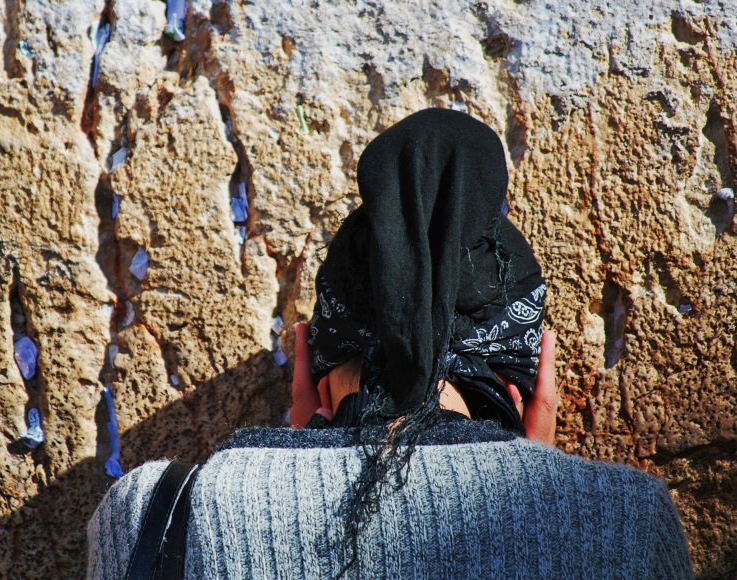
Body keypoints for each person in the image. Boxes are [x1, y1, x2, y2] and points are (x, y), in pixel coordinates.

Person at [87, 109, 692, 578]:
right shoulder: (626, 524)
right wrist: (547, 481)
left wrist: (299, 463)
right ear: (530, 385)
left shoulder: (153, 516)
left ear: (311, 371)